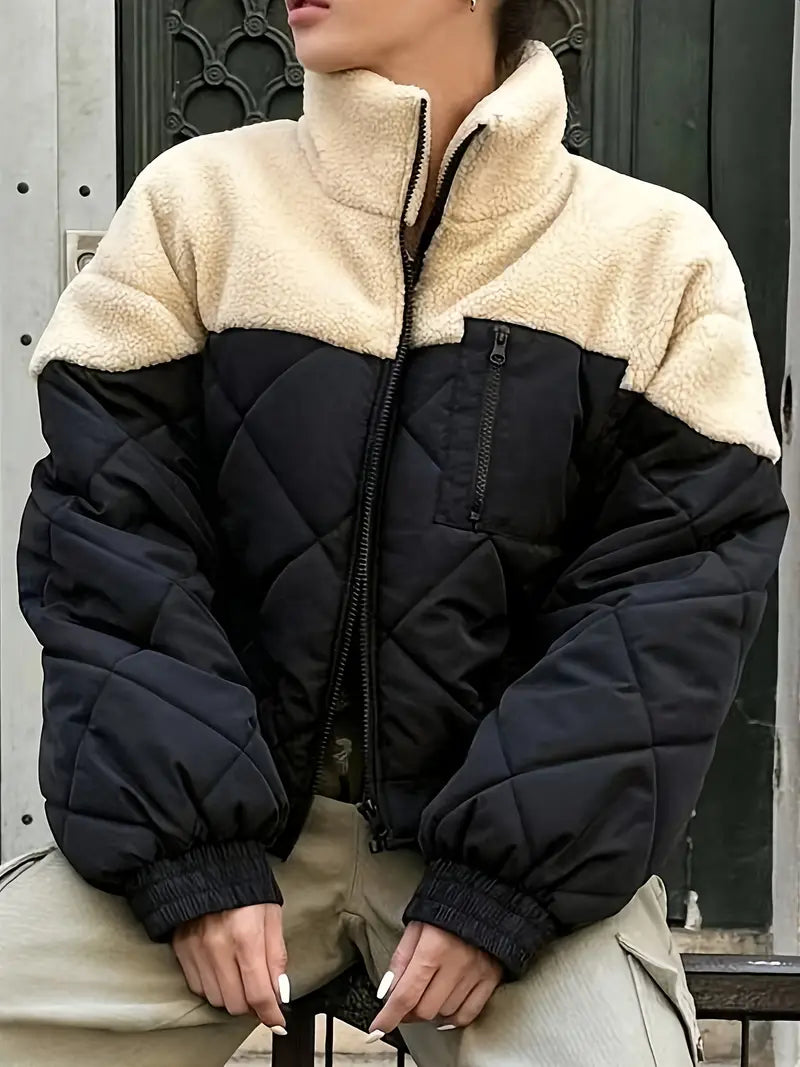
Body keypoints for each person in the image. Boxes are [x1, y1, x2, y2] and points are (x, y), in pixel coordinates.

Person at [0, 0, 787, 1063]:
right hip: (223, 832)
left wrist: (503, 884)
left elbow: (668, 600)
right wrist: (190, 855)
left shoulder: (653, 256)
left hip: (507, 861)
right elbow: (111, 536)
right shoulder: (198, 204)